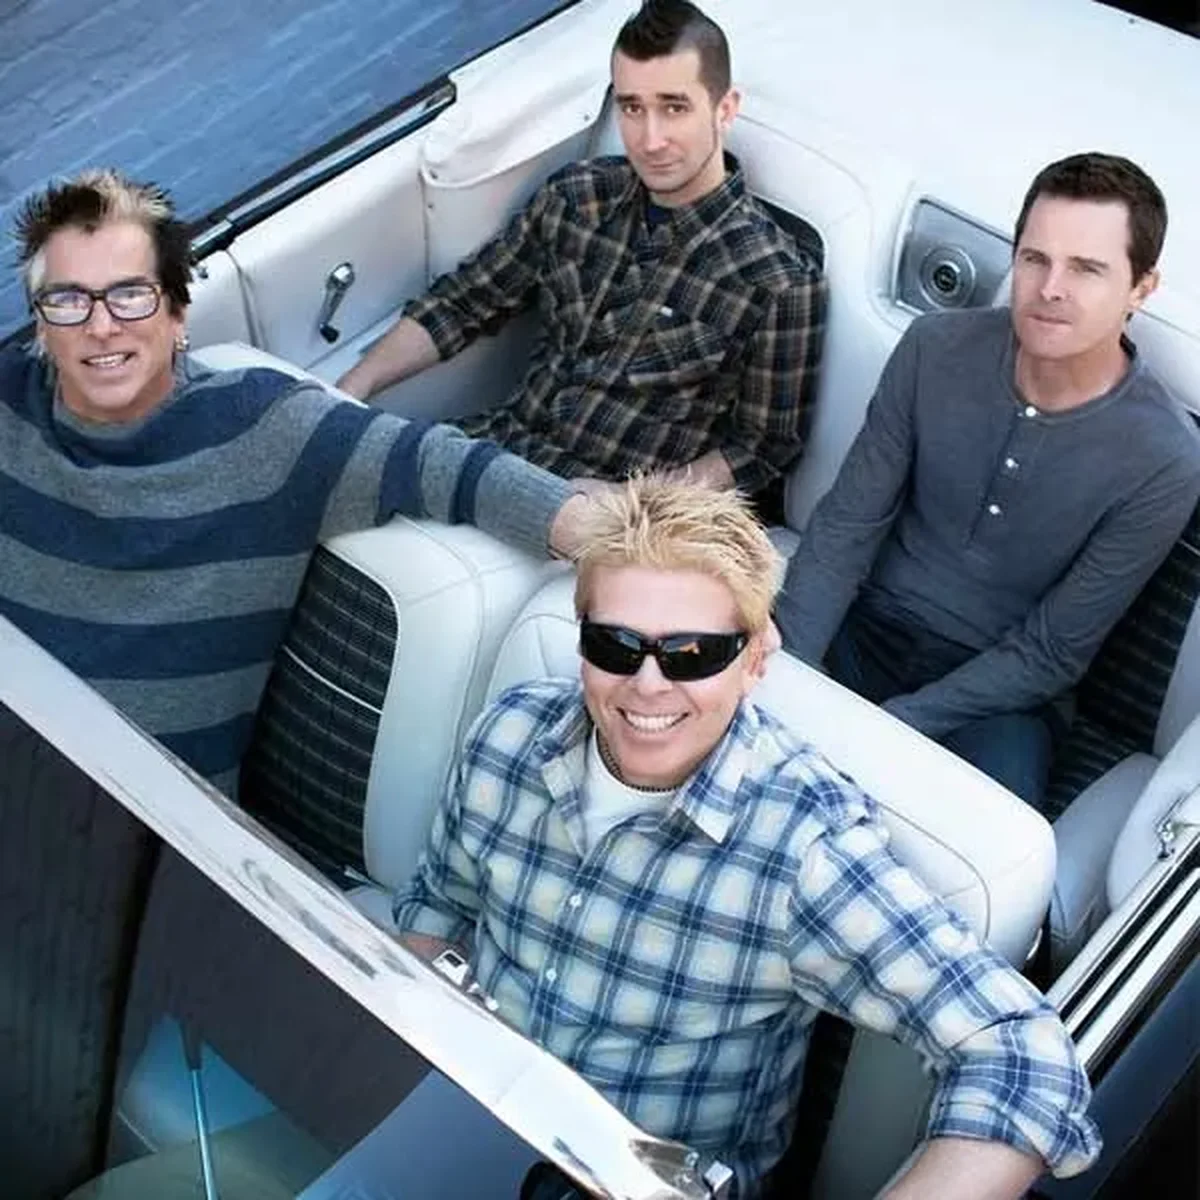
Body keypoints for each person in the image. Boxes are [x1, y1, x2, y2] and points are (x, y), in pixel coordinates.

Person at [393, 475, 1101, 1199]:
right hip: (459, 1118)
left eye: (692, 654)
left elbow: (1024, 1055)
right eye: (616, 645)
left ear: (756, 659)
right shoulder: (510, 733)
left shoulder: (802, 850)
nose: (648, 684)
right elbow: (436, 906)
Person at [0, 169, 597, 795]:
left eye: (131, 295)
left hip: (142, 817)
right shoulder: (10, 402)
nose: (100, 325)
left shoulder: (265, 427)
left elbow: (449, 467)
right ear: (41, 326)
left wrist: (611, 540)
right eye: (68, 300)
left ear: (177, 314)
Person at [775, 152, 1200, 807]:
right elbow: (845, 528)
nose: (1050, 287)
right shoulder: (933, 347)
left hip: (1000, 697)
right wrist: (789, 672)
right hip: (864, 628)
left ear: (1141, 288)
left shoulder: (1168, 458)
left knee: (976, 834)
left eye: (1086, 268)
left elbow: (1053, 650)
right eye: (1035, 258)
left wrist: (892, 727)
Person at [336, 0, 825, 504]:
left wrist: (629, 500)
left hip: (613, 510)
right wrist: (351, 388)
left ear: (724, 109)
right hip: (495, 450)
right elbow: (462, 303)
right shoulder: (577, 196)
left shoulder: (777, 281)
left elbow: (761, 449)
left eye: (674, 108)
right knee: (327, 469)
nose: (650, 140)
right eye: (632, 107)